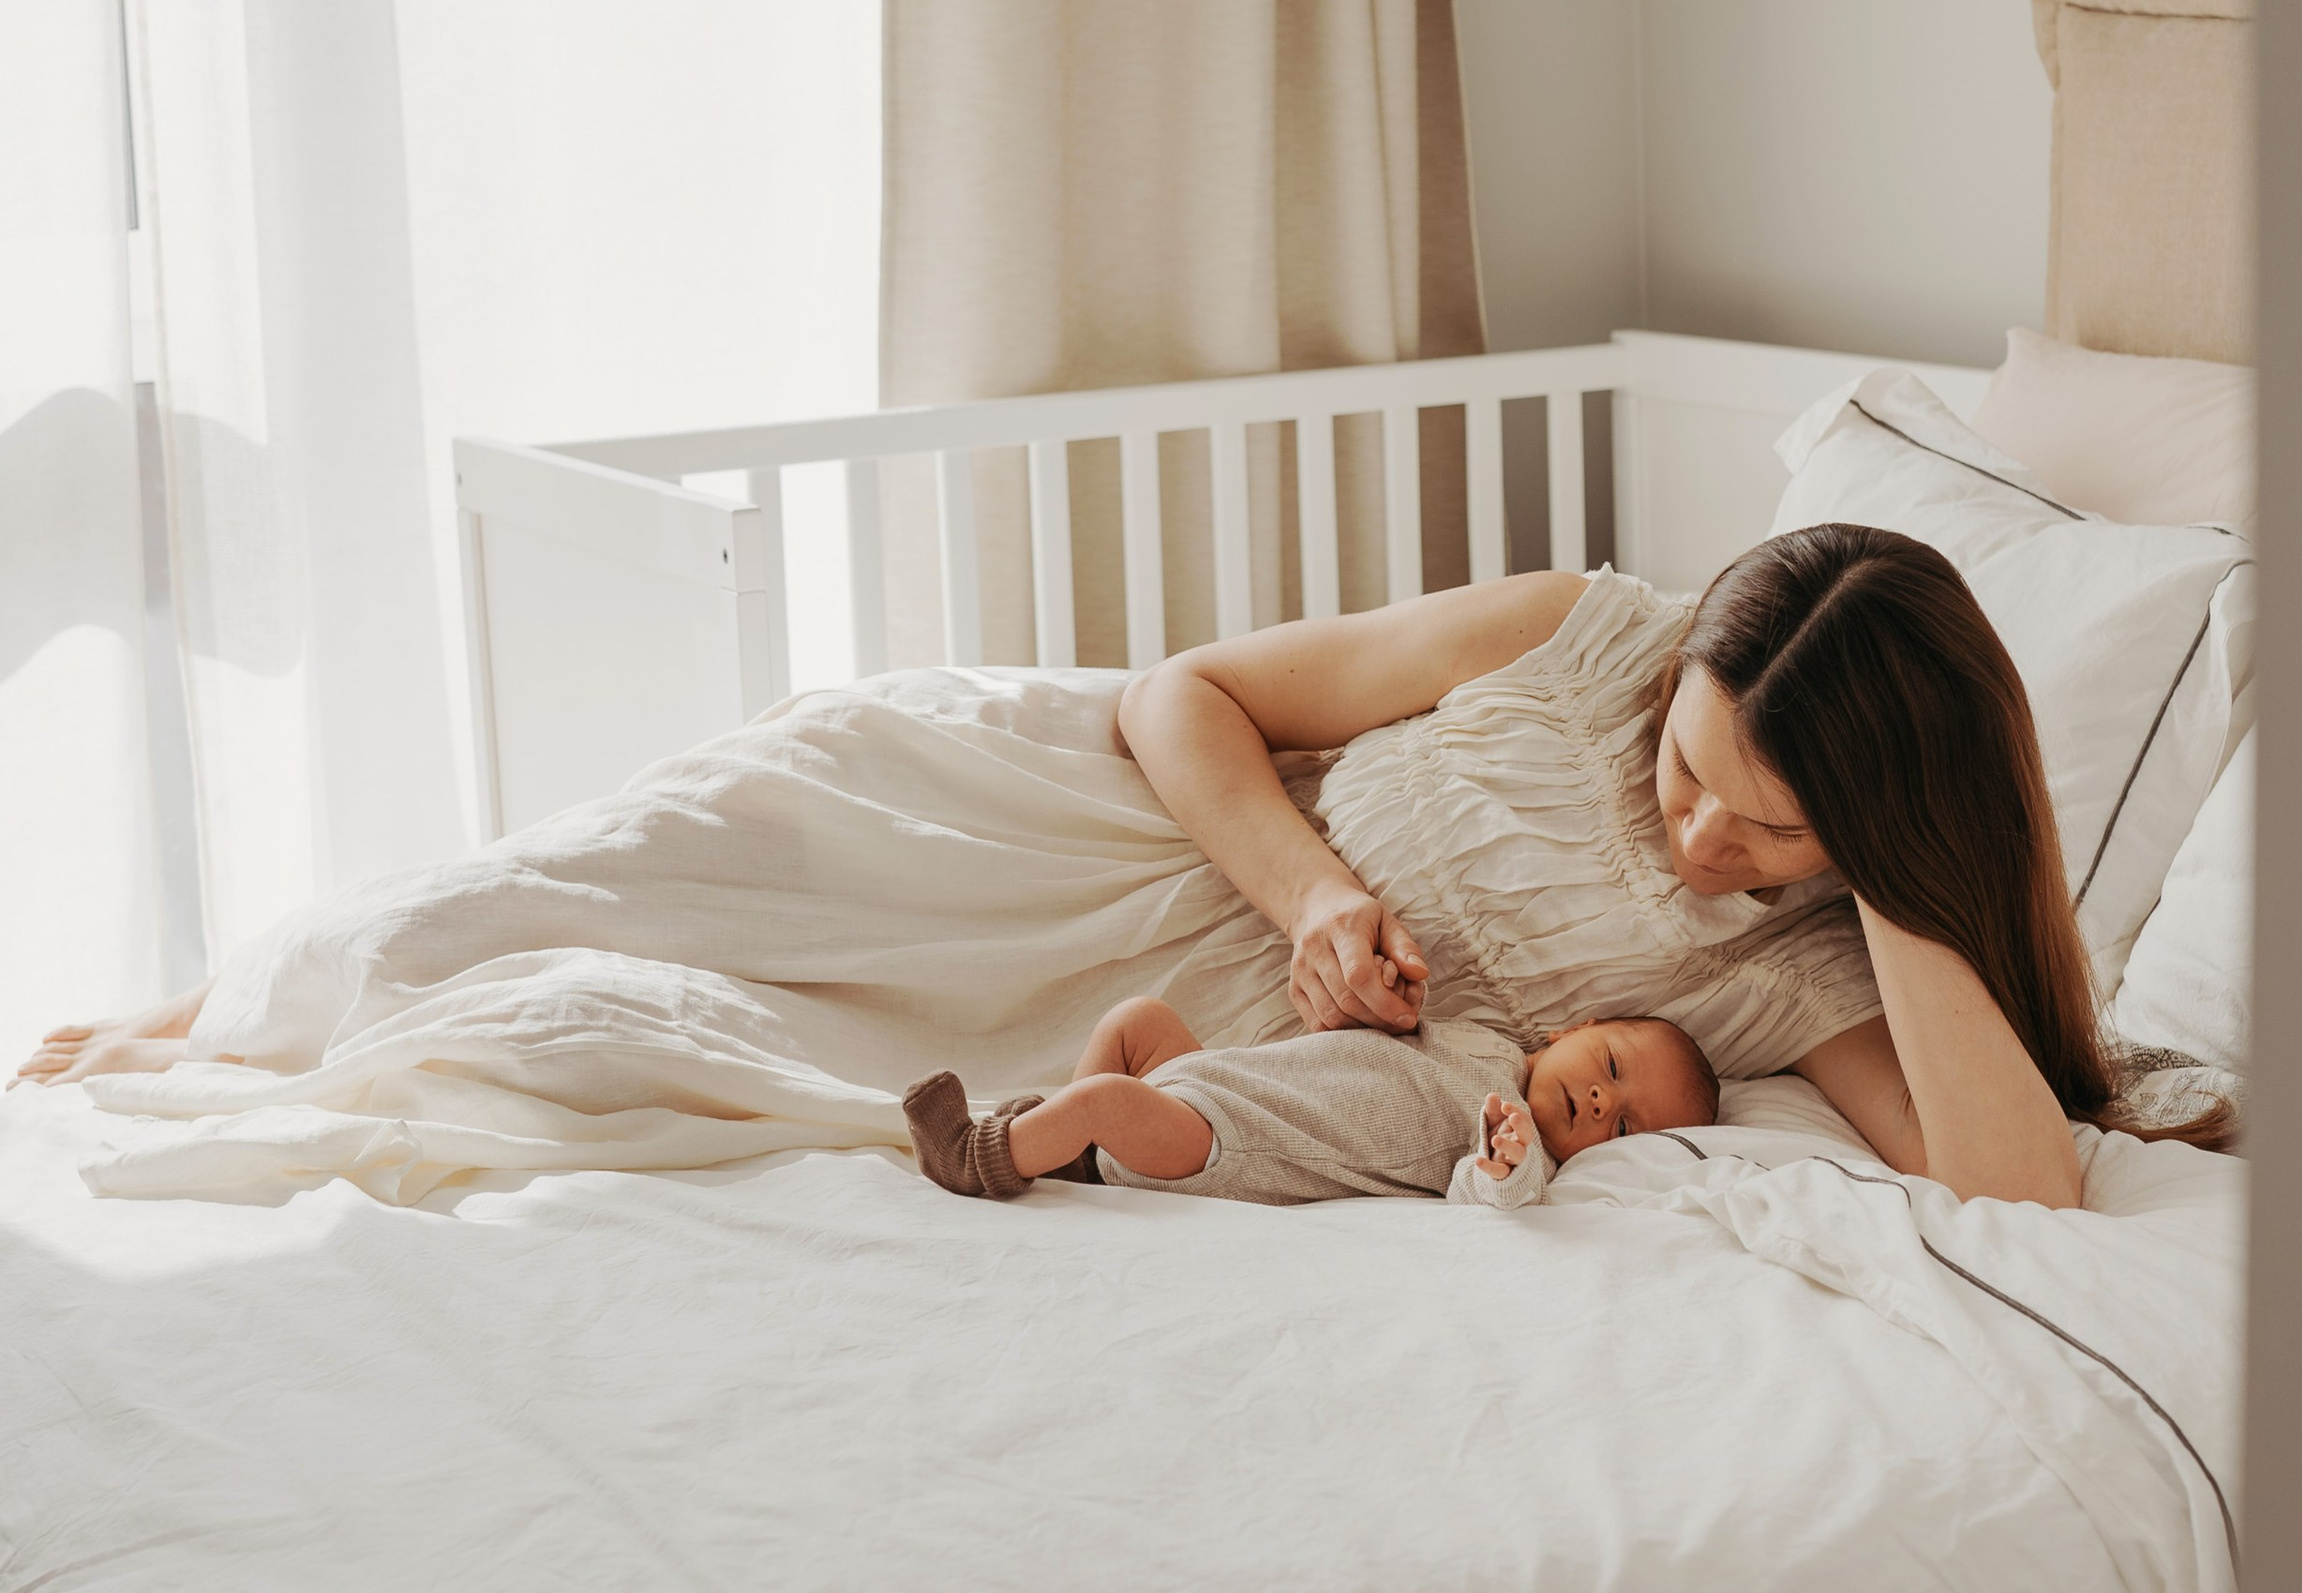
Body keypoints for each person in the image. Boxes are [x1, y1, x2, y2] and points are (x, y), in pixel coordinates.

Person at [16, 528, 2112, 1213]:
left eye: (1757, 827)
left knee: (598, 1044)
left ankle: (253, 1054)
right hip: (1108, 820)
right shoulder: (1586, 631)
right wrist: (1307, 898)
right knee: (609, 870)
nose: (1690, 833)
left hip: (1157, 1007)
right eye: (1682, 771)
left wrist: (1903, 877)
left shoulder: (1822, 966)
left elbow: (2013, 1183)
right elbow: (1182, 694)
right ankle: (209, 1016)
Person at [900, 995, 1716, 1208]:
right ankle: (1074, 1159)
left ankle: (980, 1160)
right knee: (1136, 1024)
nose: (1605, 1098)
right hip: (1225, 1078)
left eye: (1625, 1125)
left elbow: (1488, 1197)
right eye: (1612, 1064)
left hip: (1234, 1145)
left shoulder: (1517, 1146)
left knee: (1109, 1098)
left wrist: (1502, 1168)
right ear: (1581, 1026)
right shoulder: (1486, 1041)